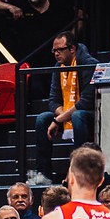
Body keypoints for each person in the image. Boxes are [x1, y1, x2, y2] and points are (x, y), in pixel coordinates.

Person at [32, 31, 99, 186]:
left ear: (72, 49)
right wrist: (62, 116)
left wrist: (59, 119)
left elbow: (87, 101)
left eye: (60, 50)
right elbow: (53, 101)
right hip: (68, 113)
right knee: (42, 119)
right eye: (54, 50)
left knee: (78, 116)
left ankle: (78, 170)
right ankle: (43, 173)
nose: (56, 54)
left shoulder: (88, 63)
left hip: (89, 114)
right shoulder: (58, 66)